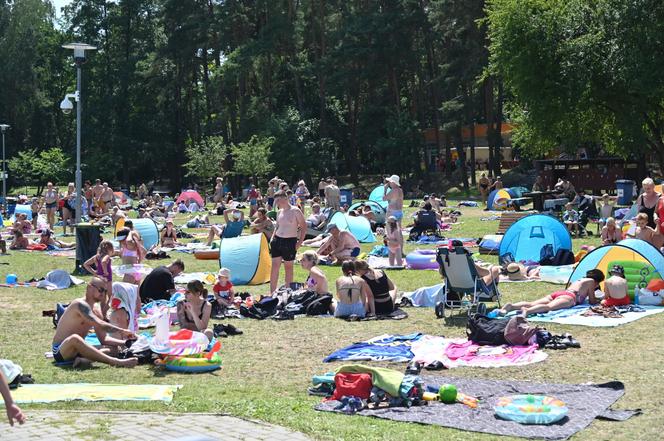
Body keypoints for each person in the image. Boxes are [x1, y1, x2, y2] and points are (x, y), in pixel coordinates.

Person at [51, 277, 138, 368]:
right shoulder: (79, 304)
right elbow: (99, 323)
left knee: (114, 349)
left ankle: (84, 360)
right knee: (74, 338)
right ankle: (116, 362)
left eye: (105, 291)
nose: (103, 294)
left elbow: (103, 339)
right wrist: (122, 331)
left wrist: (126, 342)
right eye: (101, 290)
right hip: (61, 350)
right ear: (89, 287)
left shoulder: (96, 310)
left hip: (78, 349)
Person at [499, 269, 604, 317]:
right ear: (597, 281)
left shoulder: (579, 280)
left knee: (532, 302)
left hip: (561, 293)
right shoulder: (590, 282)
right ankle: (528, 311)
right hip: (570, 297)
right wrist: (599, 300)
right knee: (548, 307)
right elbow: (592, 301)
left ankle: (511, 306)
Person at [269, 191, 306, 294]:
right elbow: (277, 226)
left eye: (278, 200)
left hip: (290, 241)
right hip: (277, 240)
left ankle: (287, 292)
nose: (277, 203)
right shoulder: (279, 212)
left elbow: (303, 227)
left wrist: (299, 243)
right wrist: (272, 238)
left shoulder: (295, 211)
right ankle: (272, 292)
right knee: (275, 266)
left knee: (288, 267)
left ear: (285, 199)